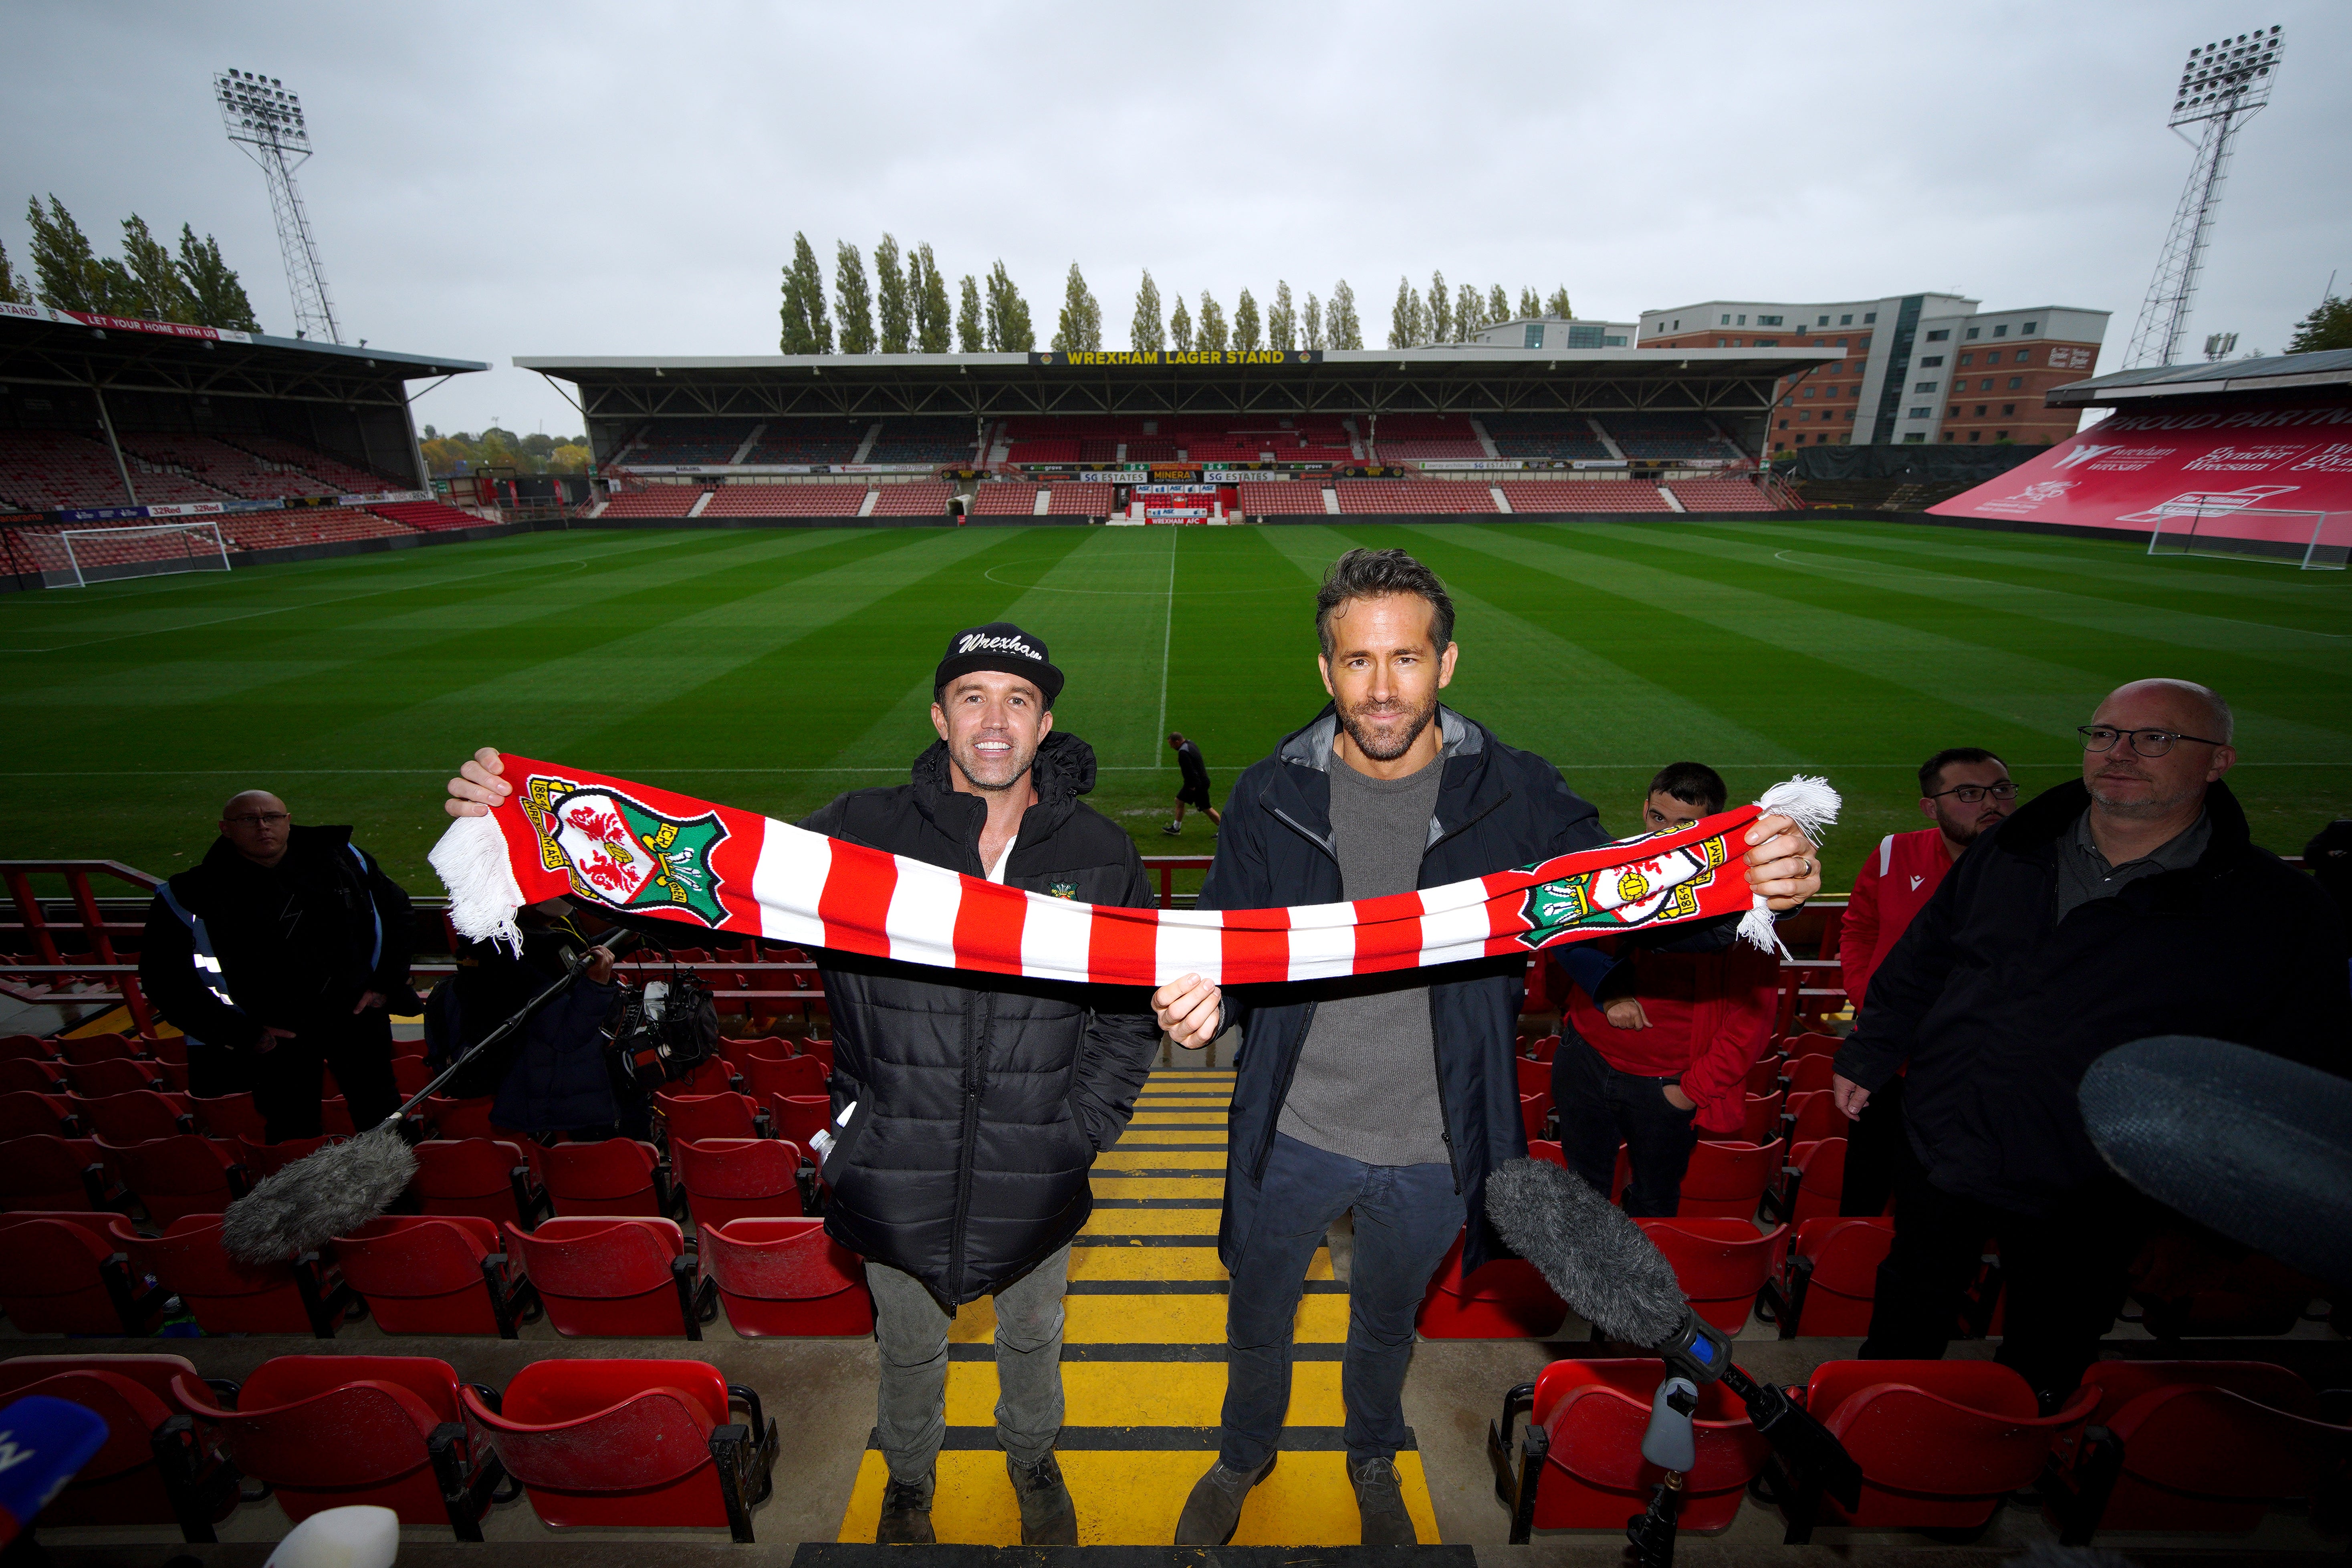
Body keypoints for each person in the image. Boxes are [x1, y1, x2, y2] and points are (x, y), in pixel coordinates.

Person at [1149, 549, 1822, 1546]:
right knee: (1258, 1313)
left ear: (1447, 664)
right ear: (1324, 670)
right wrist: (1203, 1004)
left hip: (1436, 1146)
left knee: (1386, 1322)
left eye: (1406, 659)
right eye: (1358, 661)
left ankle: (1371, 1450)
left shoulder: (1516, 796)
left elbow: (1619, 902)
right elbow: (1227, 939)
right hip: (1289, 1132)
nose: (1382, 689)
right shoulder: (1266, 794)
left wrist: (1743, 892)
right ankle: (1245, 1450)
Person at [444, 621, 1160, 1548]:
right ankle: (909, 1479)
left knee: (1033, 1336)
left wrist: (1084, 1127)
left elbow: (1128, 1008)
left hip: (1040, 1158)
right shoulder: (857, 835)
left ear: (1044, 720)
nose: (995, 721)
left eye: (1016, 700)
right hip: (896, 1155)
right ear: (940, 717)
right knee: (908, 1345)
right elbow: (704, 896)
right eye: (973, 698)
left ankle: (1030, 1454)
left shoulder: (1102, 852)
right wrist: (525, 835)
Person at [1832, 679, 2351, 1410]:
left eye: (2155, 738)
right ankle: (1871, 1428)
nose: (2121, 753)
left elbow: (2295, 1066)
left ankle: (2005, 1455)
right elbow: (1925, 955)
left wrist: (2202, 1218)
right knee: (1908, 1307)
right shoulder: (2010, 848)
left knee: (2050, 1346)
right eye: (2104, 734)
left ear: (2219, 761)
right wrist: (1869, 1049)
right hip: (1949, 1136)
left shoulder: (2279, 909)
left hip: (2097, 1183)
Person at [1551, 763, 1780, 1217]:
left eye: (1685, 826)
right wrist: (1603, 995)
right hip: (1586, 1060)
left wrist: (1689, 1091)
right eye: (1658, 818)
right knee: (1580, 1198)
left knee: (1653, 1207)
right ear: (1644, 808)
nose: (1665, 835)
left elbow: (1752, 1017)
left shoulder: (1741, 900)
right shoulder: (1613, 866)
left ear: (1712, 824)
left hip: (1666, 1085)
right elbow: (1559, 935)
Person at [138, 790, 412, 1142]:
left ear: (288, 821)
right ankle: (303, 1198)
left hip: (356, 1018)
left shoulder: (345, 860)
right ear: (225, 828)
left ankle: (398, 1195)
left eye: (272, 817)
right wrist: (244, 1034)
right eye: (249, 820)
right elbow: (165, 979)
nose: (263, 826)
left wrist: (383, 986)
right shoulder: (189, 893)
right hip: (274, 1037)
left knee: (383, 1119)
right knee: (292, 1131)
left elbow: (398, 912)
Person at [1836, 747, 2013, 1216]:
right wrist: (1873, 1005)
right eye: (1969, 793)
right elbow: (1858, 928)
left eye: (2000, 790)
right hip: (1886, 1061)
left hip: (1971, 1073)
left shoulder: (2034, 872)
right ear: (1929, 807)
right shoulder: (1894, 852)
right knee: (1864, 1187)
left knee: (1943, 1205)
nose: (1991, 803)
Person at [423, 900, 634, 1141]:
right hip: (562, 1098)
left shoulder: (526, 934)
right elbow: (567, 1033)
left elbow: (577, 958)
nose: (566, 896)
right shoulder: (517, 951)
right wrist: (597, 984)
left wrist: (623, 937)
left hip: (561, 1089)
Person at [1164, 732, 1221, 835]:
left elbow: (1190, 771)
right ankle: (1176, 828)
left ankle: (1224, 830)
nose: (1171, 747)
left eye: (1171, 744)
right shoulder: (1190, 744)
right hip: (1198, 782)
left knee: (1206, 808)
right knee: (1179, 801)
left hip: (1197, 785)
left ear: (1177, 742)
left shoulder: (1183, 753)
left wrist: (1193, 786)